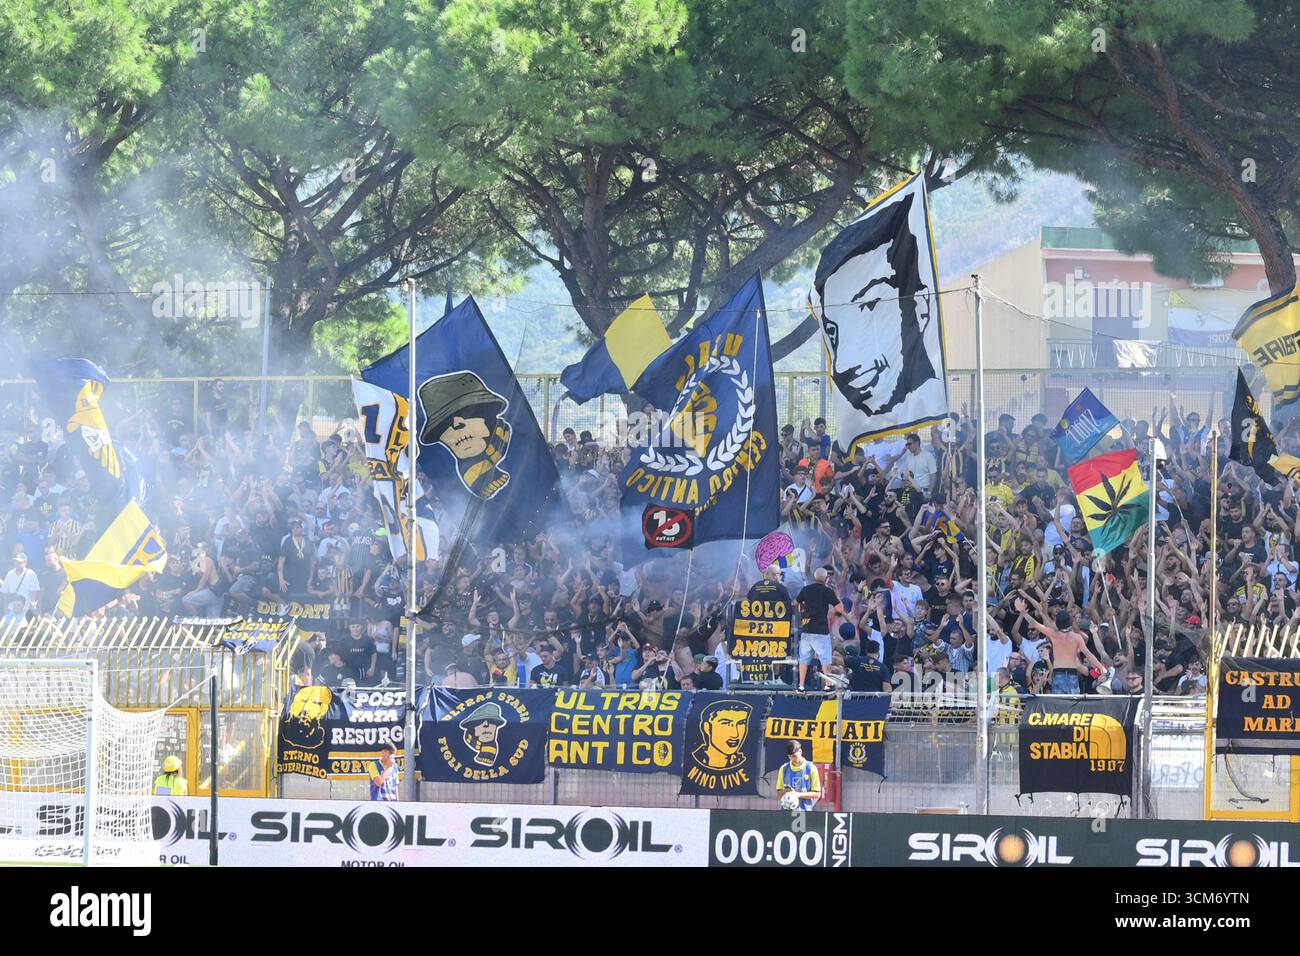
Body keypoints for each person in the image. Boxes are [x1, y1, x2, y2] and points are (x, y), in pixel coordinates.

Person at [1015, 598, 1106, 693]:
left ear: (1057, 623)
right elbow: (1088, 654)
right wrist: (1101, 668)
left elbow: (1035, 624)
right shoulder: (1076, 637)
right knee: (1072, 705)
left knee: (1059, 706)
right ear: (1070, 622)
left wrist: (1023, 612)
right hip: (1072, 675)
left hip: (1058, 674)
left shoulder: (1054, 634)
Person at [795, 568, 843, 691]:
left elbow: (795, 603)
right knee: (825, 658)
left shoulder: (806, 590)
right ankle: (827, 685)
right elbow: (839, 609)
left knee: (804, 659)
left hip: (806, 629)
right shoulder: (827, 591)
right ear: (826, 578)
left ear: (814, 577)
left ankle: (801, 685)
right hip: (821, 630)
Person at [775, 740, 822, 811]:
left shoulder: (811, 768)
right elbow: (779, 792)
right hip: (787, 812)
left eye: (794, 756)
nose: (792, 759)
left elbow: (817, 794)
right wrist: (786, 791)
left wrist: (798, 794)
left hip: (805, 812)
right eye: (790, 756)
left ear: (800, 751)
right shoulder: (784, 768)